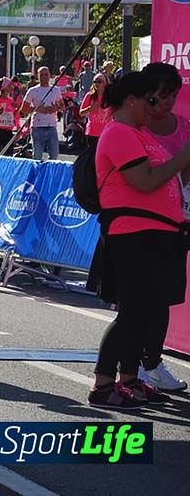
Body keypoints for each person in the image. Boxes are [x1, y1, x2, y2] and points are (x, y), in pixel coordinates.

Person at [88, 71, 190, 408]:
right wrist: (183, 156)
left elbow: (169, 178)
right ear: (131, 100)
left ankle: (129, 380)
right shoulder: (119, 133)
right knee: (132, 313)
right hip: (134, 235)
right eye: (150, 99)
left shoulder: (139, 134)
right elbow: (145, 181)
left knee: (145, 312)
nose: (155, 107)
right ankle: (103, 385)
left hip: (158, 233)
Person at [139, 62, 190, 392]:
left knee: (164, 297)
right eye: (162, 95)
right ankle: (132, 363)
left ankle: (153, 363)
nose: (168, 103)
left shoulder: (184, 127)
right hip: (140, 224)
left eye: (173, 96)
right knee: (137, 298)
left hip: (177, 222)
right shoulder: (133, 128)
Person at [20, 66, 64, 161]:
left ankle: (49, 169)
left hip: (51, 126)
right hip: (37, 126)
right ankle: (37, 170)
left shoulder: (55, 90)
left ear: (49, 76)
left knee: (54, 154)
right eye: (41, 75)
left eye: (46, 75)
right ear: (38, 76)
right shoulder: (32, 91)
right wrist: (38, 109)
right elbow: (23, 108)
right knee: (37, 155)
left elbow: (62, 105)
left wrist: (56, 108)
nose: (44, 77)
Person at [79, 72, 111, 147]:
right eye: (95, 81)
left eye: (99, 81)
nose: (97, 83)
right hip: (91, 132)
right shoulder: (89, 96)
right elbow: (81, 113)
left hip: (106, 132)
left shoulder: (110, 96)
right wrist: (90, 109)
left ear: (105, 83)